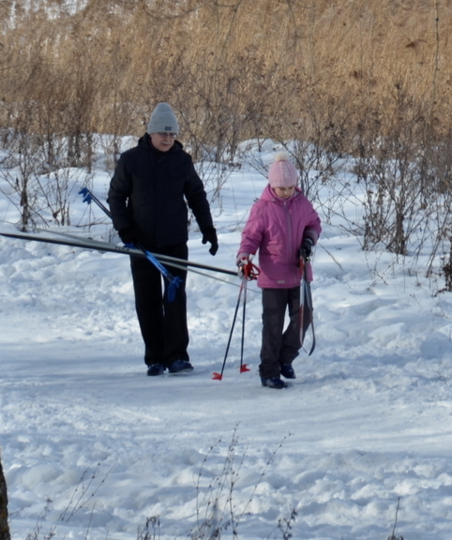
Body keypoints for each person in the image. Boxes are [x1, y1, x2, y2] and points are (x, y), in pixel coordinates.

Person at [108, 102, 219, 376]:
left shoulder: (182, 161)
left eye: (172, 134)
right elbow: (116, 196)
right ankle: (155, 357)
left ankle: (177, 355)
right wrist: (125, 229)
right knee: (147, 300)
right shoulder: (131, 160)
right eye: (163, 134)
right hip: (141, 243)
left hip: (173, 241)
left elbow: (196, 195)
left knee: (174, 298)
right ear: (151, 133)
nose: (168, 139)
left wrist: (208, 228)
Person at [237, 153, 321, 389]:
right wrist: (244, 257)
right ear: (272, 185)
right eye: (281, 188)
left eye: (290, 187)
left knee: (304, 320)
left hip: (299, 274)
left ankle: (285, 359)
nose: (286, 192)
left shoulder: (302, 204)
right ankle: (269, 371)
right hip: (273, 277)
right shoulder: (262, 208)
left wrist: (308, 241)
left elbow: (315, 224)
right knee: (272, 326)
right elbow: (250, 237)